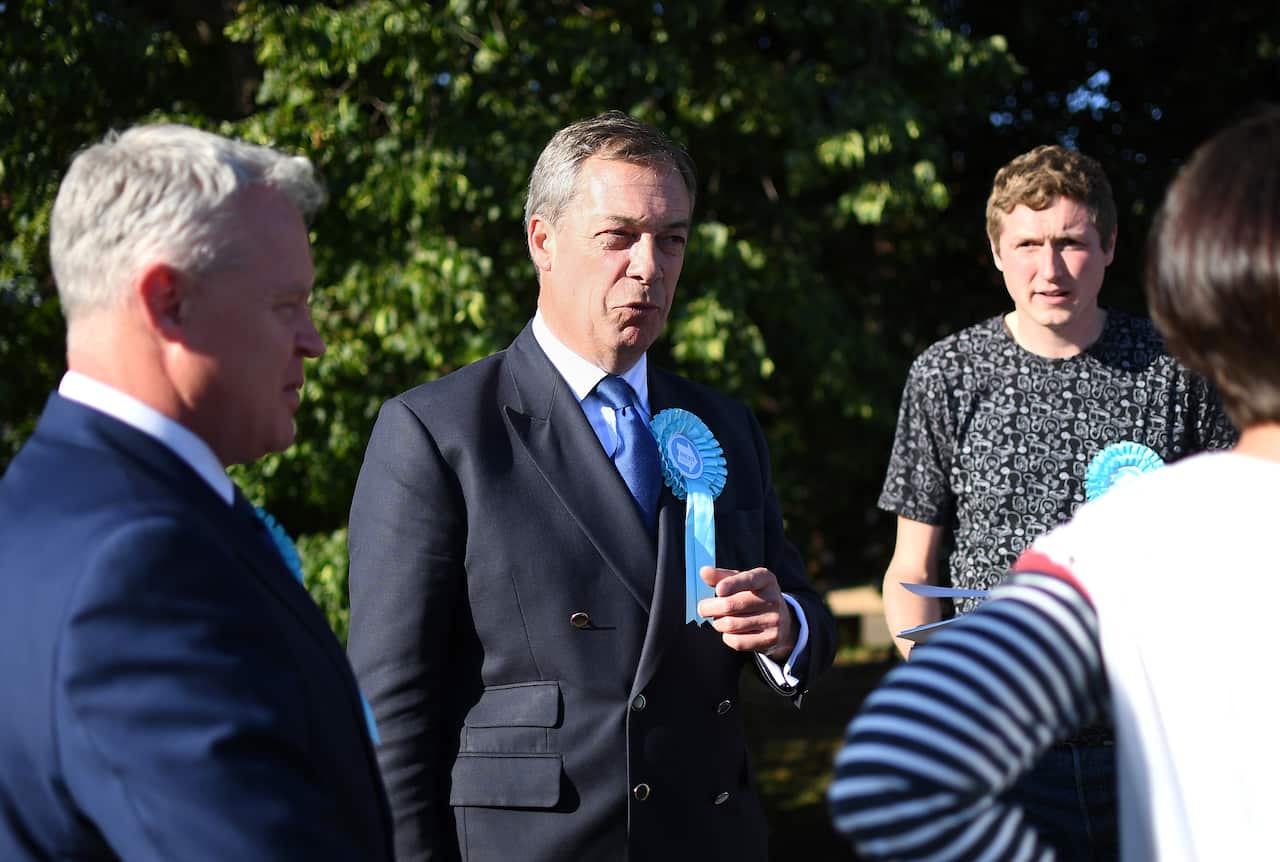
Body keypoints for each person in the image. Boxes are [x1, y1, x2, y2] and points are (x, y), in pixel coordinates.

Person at [347, 111, 837, 862]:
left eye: (671, 239)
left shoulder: (724, 425)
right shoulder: (439, 431)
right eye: (619, 237)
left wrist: (786, 628)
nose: (650, 266)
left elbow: (806, 616)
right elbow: (392, 709)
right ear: (543, 240)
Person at [830, 106, 1280, 860]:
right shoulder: (946, 374)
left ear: (1107, 246)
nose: (1051, 268)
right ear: (996, 252)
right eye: (1029, 245)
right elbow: (911, 566)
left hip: (1155, 738)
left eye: (1071, 242)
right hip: (1002, 738)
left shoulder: (1176, 367)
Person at [0, 124, 393, 861]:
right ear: (167, 301)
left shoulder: (54, 507)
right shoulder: (135, 564)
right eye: (286, 305)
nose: (313, 340)